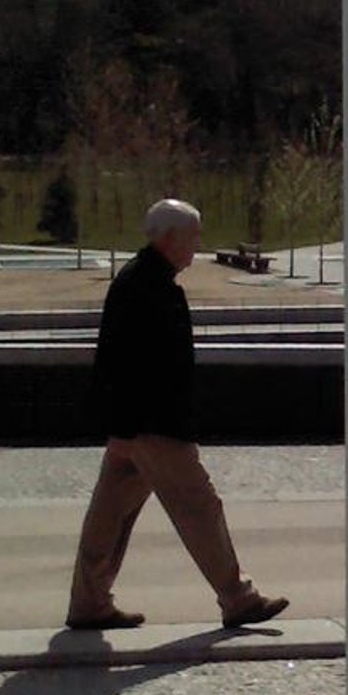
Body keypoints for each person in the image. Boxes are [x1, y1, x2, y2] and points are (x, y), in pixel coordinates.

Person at [65, 197, 290, 632]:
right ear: (169, 238)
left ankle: (89, 602)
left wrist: (118, 428)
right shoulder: (150, 288)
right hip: (156, 426)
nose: (197, 244)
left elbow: (113, 361)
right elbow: (130, 365)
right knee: (200, 508)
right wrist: (130, 426)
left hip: (136, 425)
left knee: (110, 516)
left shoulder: (138, 280)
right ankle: (237, 597)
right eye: (193, 236)